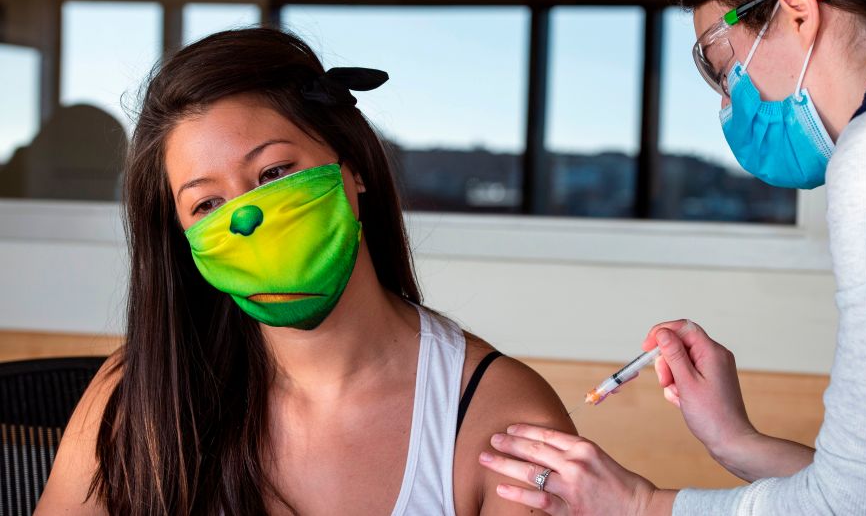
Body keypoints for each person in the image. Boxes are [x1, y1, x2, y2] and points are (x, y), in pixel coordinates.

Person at [35, 28, 574, 515]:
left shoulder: (499, 417)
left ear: (353, 166)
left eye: (273, 172)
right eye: (206, 205)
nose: (245, 216)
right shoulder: (138, 395)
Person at [479, 0, 866, 514]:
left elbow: (854, 508)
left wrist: (639, 504)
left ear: (799, 10)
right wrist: (734, 439)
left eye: (724, 67)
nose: (730, 107)